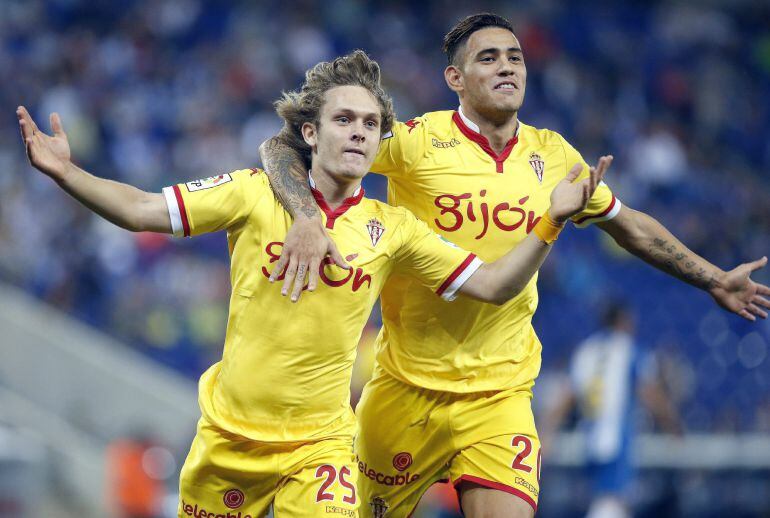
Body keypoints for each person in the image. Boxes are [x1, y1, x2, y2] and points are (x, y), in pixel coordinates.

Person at [17, 50, 607, 518]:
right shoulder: (252, 192)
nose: (358, 133)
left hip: (320, 449)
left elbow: (496, 285)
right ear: (309, 134)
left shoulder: (392, 227)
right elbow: (143, 208)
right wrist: (68, 172)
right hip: (229, 439)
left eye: (371, 124)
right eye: (343, 119)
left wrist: (549, 222)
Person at [258, 13, 770, 518]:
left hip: (500, 397)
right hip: (405, 390)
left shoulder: (552, 155)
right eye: (488, 58)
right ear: (455, 79)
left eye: (515, 57)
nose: (508, 67)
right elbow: (282, 144)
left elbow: (630, 225)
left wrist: (714, 278)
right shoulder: (415, 142)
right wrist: (306, 217)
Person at [542, 304, 682, 518]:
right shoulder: (629, 349)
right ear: (623, 321)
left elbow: (566, 396)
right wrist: (673, 426)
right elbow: (650, 392)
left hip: (590, 441)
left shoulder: (586, 350)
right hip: (618, 441)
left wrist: (547, 433)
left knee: (607, 501)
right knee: (612, 503)